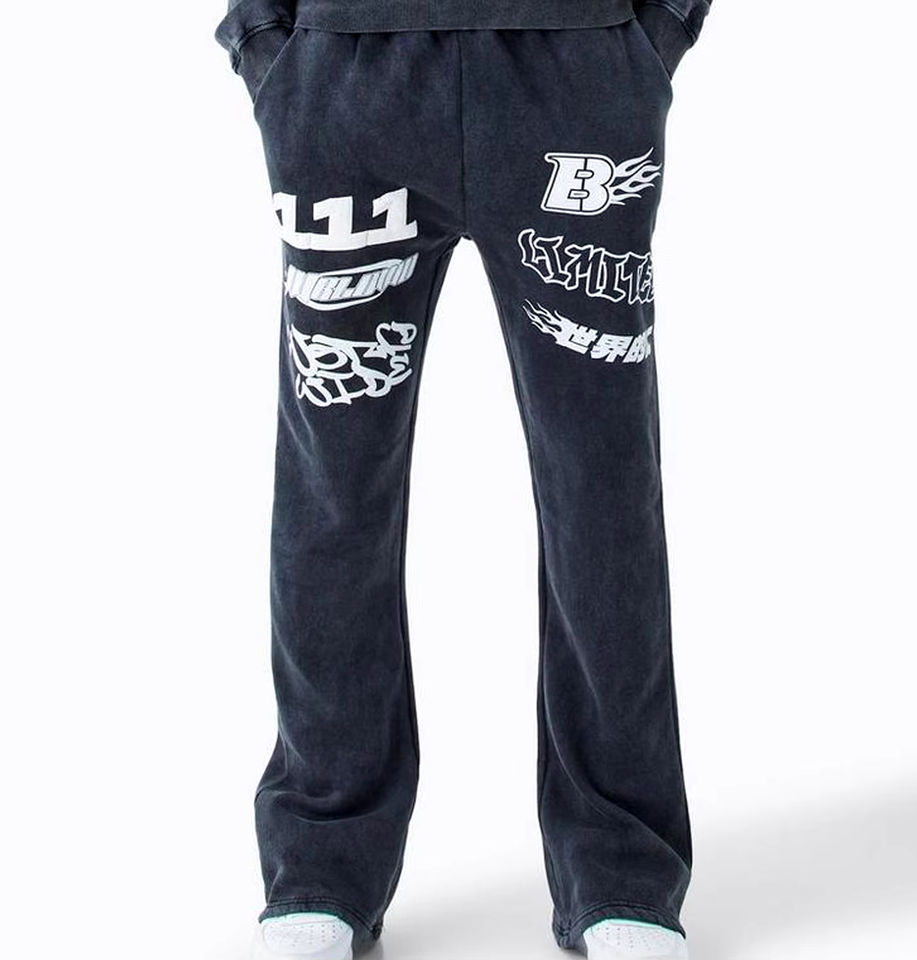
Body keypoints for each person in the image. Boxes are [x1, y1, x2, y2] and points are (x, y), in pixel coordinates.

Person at [214, 2, 712, 958]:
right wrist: (263, 42)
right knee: (334, 492)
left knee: (601, 486)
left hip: (577, 70)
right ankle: (322, 856)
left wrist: (657, 34)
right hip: (345, 79)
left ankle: (621, 867)